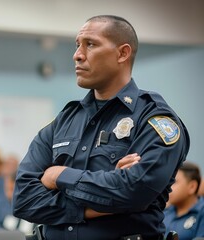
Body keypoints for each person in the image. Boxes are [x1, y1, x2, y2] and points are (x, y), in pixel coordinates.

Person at [12, 15, 190, 240]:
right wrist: (97, 201)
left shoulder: (153, 118)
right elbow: (23, 199)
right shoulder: (65, 120)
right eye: (78, 45)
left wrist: (59, 176)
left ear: (122, 53)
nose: (77, 55)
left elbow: (133, 192)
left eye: (91, 44)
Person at [164, 162, 204, 240]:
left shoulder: (201, 212)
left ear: (192, 187)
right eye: (168, 182)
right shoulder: (164, 213)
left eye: (174, 182)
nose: (169, 187)